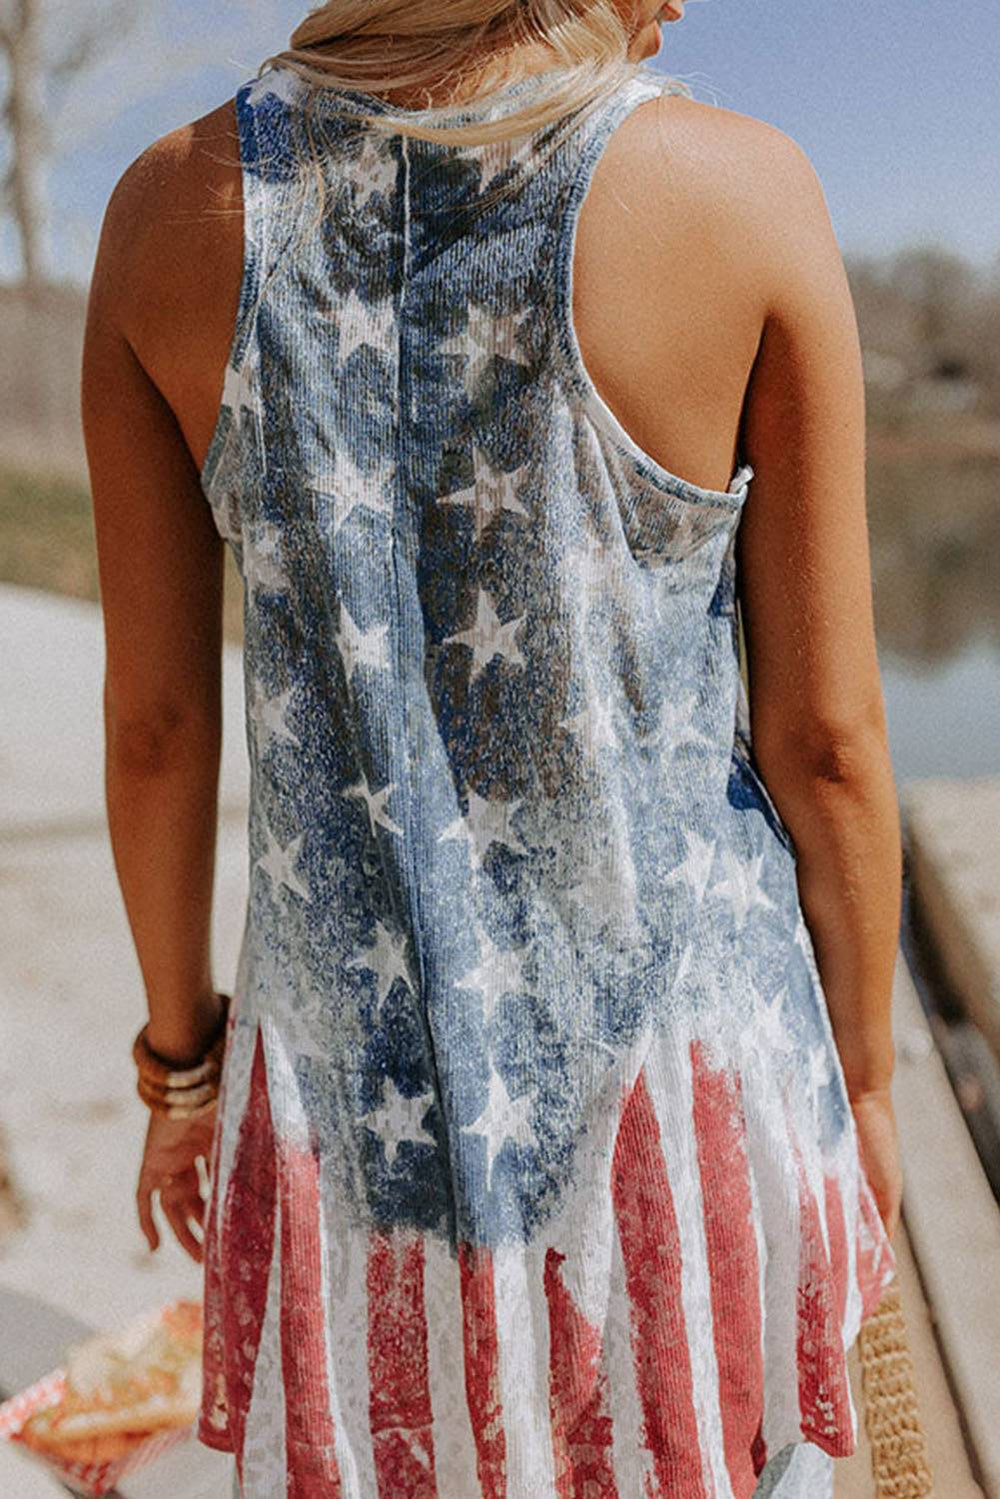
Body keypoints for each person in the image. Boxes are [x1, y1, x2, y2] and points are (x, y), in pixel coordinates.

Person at [81, 0, 904, 1494]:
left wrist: (182, 1073)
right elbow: (827, 740)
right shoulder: (748, 193)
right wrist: (870, 1086)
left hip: (354, 1152)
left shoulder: (165, 214)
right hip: (688, 1117)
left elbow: (153, 729)